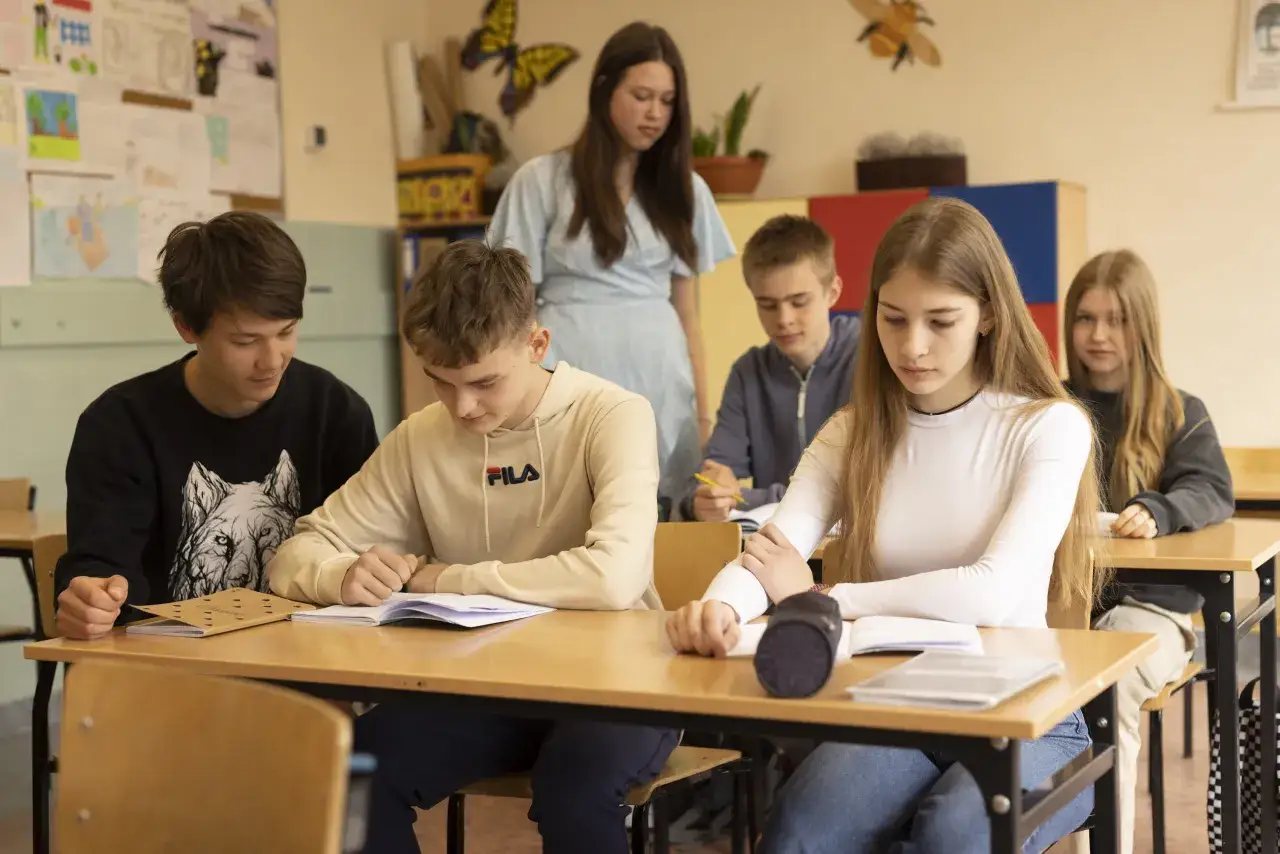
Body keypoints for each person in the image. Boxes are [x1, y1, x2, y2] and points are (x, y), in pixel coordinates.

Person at [667, 197, 1105, 853]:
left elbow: (988, 592)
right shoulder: (853, 432)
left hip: (1027, 708)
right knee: (797, 834)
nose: (912, 346)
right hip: (896, 698)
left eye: (941, 321)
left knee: (952, 834)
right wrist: (717, 610)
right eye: (893, 319)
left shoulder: (1048, 426)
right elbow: (773, 553)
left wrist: (821, 601)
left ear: (988, 314)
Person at [268, 240, 674, 854]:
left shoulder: (612, 415)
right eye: (440, 382)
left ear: (537, 345)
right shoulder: (421, 437)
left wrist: (438, 579)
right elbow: (295, 554)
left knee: (572, 787)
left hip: (619, 682)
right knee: (347, 771)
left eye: (485, 382)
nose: (462, 407)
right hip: (487, 687)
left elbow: (613, 579)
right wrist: (343, 575)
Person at [53, 211, 378, 640]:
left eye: (287, 332)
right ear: (186, 326)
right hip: (173, 669)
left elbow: (372, 545)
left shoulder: (334, 411)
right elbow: (100, 568)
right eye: (245, 341)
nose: (273, 359)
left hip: (311, 660)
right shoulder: (119, 424)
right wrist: (89, 600)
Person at [486, 20, 735, 506]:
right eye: (642, 96)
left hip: (660, 379)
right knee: (564, 508)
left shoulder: (685, 189)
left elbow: (689, 317)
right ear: (604, 91)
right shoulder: (541, 180)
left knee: (661, 515)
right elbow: (512, 307)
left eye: (667, 101)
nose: (656, 114)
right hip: (568, 373)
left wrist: (704, 419)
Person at [1064, 248, 1233, 854]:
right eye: (1086, 319)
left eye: (1117, 319)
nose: (1100, 335)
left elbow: (1211, 490)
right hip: (1069, 607)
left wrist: (1158, 510)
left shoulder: (1179, 410)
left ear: (1144, 326)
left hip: (1154, 613)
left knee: (1108, 692)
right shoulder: (1053, 407)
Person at [678, 214, 859, 522]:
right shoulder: (748, 372)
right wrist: (708, 499)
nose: (784, 319)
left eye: (799, 302)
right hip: (775, 545)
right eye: (767, 304)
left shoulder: (870, 357)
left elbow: (855, 491)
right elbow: (712, 478)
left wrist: (744, 497)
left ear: (833, 292)